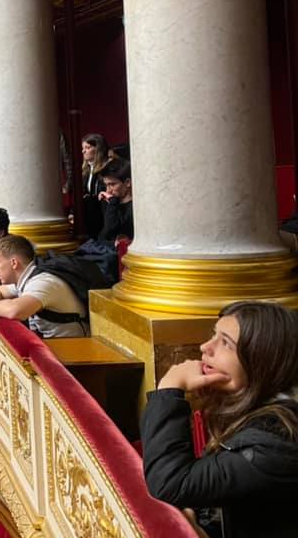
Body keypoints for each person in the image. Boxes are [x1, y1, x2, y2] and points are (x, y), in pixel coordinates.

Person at [141, 301, 298, 538]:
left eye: (225, 342)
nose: (205, 347)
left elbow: (170, 483)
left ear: (261, 360)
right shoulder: (252, 405)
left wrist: (169, 389)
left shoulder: (276, 442)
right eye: (214, 334)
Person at [0, 234, 87, 337]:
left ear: (14, 263)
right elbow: (0, 292)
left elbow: (15, 310)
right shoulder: (26, 278)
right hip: (53, 345)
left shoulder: (43, 282)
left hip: (73, 348)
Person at [81, 133, 110, 239]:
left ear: (98, 149)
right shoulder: (86, 170)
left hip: (104, 215)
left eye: (87, 148)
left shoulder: (108, 168)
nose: (83, 151)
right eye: (83, 148)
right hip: (91, 217)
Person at [96, 159, 133, 243]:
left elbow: (111, 230)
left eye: (112, 184)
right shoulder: (110, 201)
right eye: (106, 185)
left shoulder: (136, 206)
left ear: (127, 182)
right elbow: (103, 235)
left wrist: (112, 202)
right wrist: (112, 202)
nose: (108, 191)